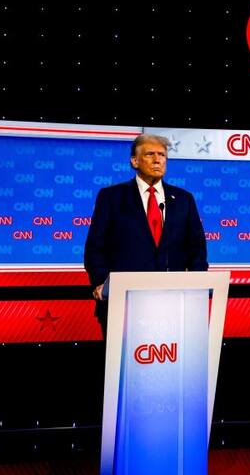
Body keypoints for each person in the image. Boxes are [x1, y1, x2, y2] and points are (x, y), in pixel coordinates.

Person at [84, 133, 208, 329]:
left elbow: (197, 247)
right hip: (123, 302)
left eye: (162, 155)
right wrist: (103, 284)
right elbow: (95, 248)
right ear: (134, 161)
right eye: (150, 154)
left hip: (174, 302)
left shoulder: (184, 199)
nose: (158, 159)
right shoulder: (111, 197)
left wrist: (194, 283)